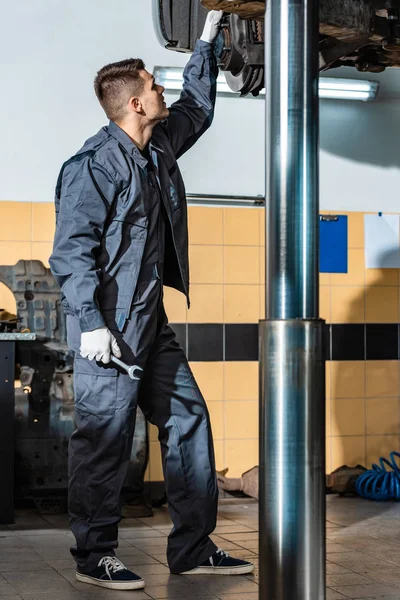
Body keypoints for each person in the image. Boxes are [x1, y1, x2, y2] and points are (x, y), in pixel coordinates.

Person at [49, 10, 254, 592]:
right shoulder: (92, 166)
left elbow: (198, 107)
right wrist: (90, 323)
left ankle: (191, 548)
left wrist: (208, 42)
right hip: (108, 332)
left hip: (149, 322)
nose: (160, 88)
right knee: (105, 440)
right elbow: (71, 252)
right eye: (152, 84)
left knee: (189, 418)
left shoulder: (158, 147)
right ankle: (95, 556)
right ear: (134, 104)